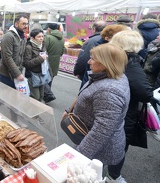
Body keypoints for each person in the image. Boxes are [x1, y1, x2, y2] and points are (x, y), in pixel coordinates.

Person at [62, 43, 130, 183]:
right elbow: (85, 94)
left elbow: (102, 131)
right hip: (91, 137)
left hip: (100, 147)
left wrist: (79, 155)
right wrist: (70, 109)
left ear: (106, 63)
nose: (88, 61)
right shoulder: (107, 76)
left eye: (93, 58)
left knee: (89, 175)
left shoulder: (108, 90)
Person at [109, 30, 154, 181]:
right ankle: (113, 176)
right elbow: (145, 93)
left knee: (103, 139)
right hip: (124, 112)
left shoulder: (109, 57)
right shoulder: (131, 63)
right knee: (119, 145)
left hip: (107, 107)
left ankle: (94, 168)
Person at [0, 15, 28, 89]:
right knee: (4, 98)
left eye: (27, 24)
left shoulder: (23, 37)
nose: (26, 26)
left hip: (17, 74)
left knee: (13, 98)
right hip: (6, 75)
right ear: (16, 24)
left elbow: (22, 55)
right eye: (23, 24)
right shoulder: (9, 36)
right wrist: (18, 74)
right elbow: (7, 57)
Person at [23, 29, 48, 102]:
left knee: (41, 96)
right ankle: (30, 112)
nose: (41, 38)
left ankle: (37, 112)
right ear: (32, 38)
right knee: (35, 97)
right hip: (32, 75)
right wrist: (40, 59)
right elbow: (26, 63)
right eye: (39, 37)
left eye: (42, 36)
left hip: (42, 74)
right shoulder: (29, 47)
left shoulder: (42, 45)